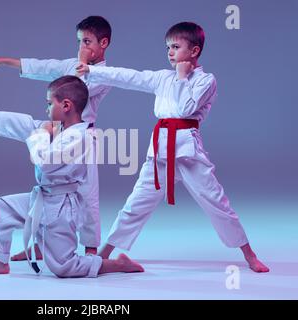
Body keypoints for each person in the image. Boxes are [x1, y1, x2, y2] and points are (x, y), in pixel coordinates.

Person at [76, 22, 269, 273]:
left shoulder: (206, 80)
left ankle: (249, 254)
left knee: (217, 203)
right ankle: (105, 252)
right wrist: (92, 70)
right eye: (168, 47)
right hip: (159, 152)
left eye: (176, 47)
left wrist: (180, 77)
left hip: (188, 153)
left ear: (195, 51)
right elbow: (128, 76)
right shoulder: (162, 77)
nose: (170, 52)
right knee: (135, 204)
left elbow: (185, 109)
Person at [0, 75, 144, 277]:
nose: (46, 109)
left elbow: (46, 161)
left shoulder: (81, 137)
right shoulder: (59, 128)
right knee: (1, 207)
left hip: (62, 209)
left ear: (66, 105)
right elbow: (27, 125)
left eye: (50, 104)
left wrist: (42, 133)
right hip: (42, 199)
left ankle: (116, 264)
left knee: (63, 267)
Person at [0, 16, 113, 260]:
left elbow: (79, 90)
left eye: (87, 41)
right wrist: (9, 62)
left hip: (83, 136)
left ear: (104, 43)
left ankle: (90, 248)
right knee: (49, 188)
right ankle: (42, 243)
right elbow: (45, 66)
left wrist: (82, 62)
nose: (81, 47)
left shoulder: (105, 74)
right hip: (59, 130)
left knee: (88, 193)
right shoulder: (71, 63)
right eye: (79, 41)